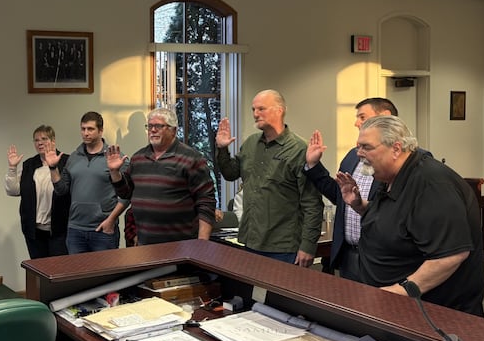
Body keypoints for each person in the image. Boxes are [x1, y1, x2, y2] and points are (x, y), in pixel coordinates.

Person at [336, 115, 484, 316]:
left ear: (396, 148)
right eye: (358, 147)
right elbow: (398, 219)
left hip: (435, 315)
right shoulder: (389, 176)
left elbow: (451, 254)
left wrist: (400, 291)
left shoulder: (432, 185)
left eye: (366, 147)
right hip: (394, 306)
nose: (359, 154)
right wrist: (359, 204)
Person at [215, 89, 323, 266]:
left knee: (280, 294)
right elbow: (230, 174)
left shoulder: (299, 149)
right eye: (253, 110)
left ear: (279, 110)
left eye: (261, 109)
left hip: (284, 247)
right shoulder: (250, 144)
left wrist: (308, 246)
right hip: (251, 241)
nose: (255, 114)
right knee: (253, 294)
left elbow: (312, 203)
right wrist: (222, 149)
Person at [303, 97, 398, 280]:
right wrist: (314, 165)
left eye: (362, 117)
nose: (356, 123)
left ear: (385, 117)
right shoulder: (352, 157)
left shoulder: (400, 162)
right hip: (348, 256)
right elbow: (340, 196)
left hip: (381, 258)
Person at [107, 108, 216, 244]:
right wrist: (115, 172)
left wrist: (202, 243)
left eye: (158, 126)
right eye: (150, 126)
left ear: (173, 130)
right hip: (146, 244)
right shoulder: (138, 158)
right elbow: (125, 193)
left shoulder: (191, 158)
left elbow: (206, 202)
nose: (152, 130)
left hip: (182, 245)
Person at [47, 111, 127, 254]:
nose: (86, 133)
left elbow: (127, 195)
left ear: (101, 131)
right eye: (83, 129)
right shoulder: (73, 157)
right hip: (75, 229)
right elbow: (61, 190)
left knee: (105, 275)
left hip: (103, 230)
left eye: (90, 129)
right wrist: (53, 168)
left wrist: (111, 220)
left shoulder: (115, 157)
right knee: (77, 275)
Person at [5, 125, 70, 259]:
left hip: (60, 230)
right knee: (39, 271)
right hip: (34, 232)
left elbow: (65, 191)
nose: (39, 143)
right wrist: (12, 167)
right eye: (36, 140)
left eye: (44, 139)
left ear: (53, 141)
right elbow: (14, 191)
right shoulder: (29, 164)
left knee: (59, 270)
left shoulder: (66, 161)